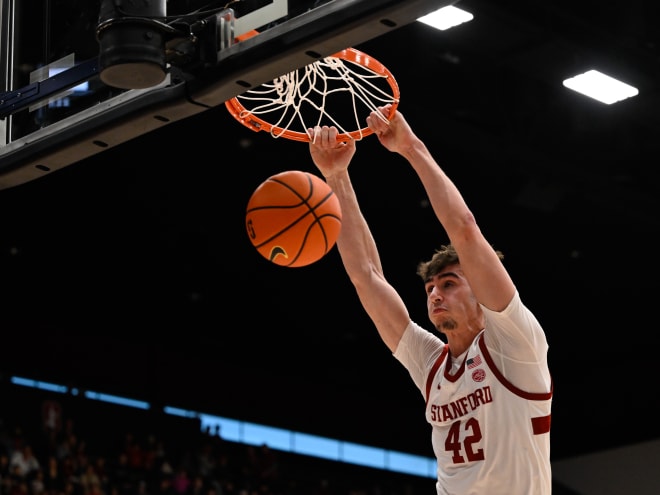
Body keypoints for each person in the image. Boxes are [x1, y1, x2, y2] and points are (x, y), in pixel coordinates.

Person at [307, 104, 553, 495]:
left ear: (481, 290)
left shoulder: (513, 342)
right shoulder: (431, 364)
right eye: (430, 289)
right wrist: (336, 177)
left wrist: (411, 148)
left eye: (450, 283)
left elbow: (465, 230)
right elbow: (366, 276)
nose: (436, 294)